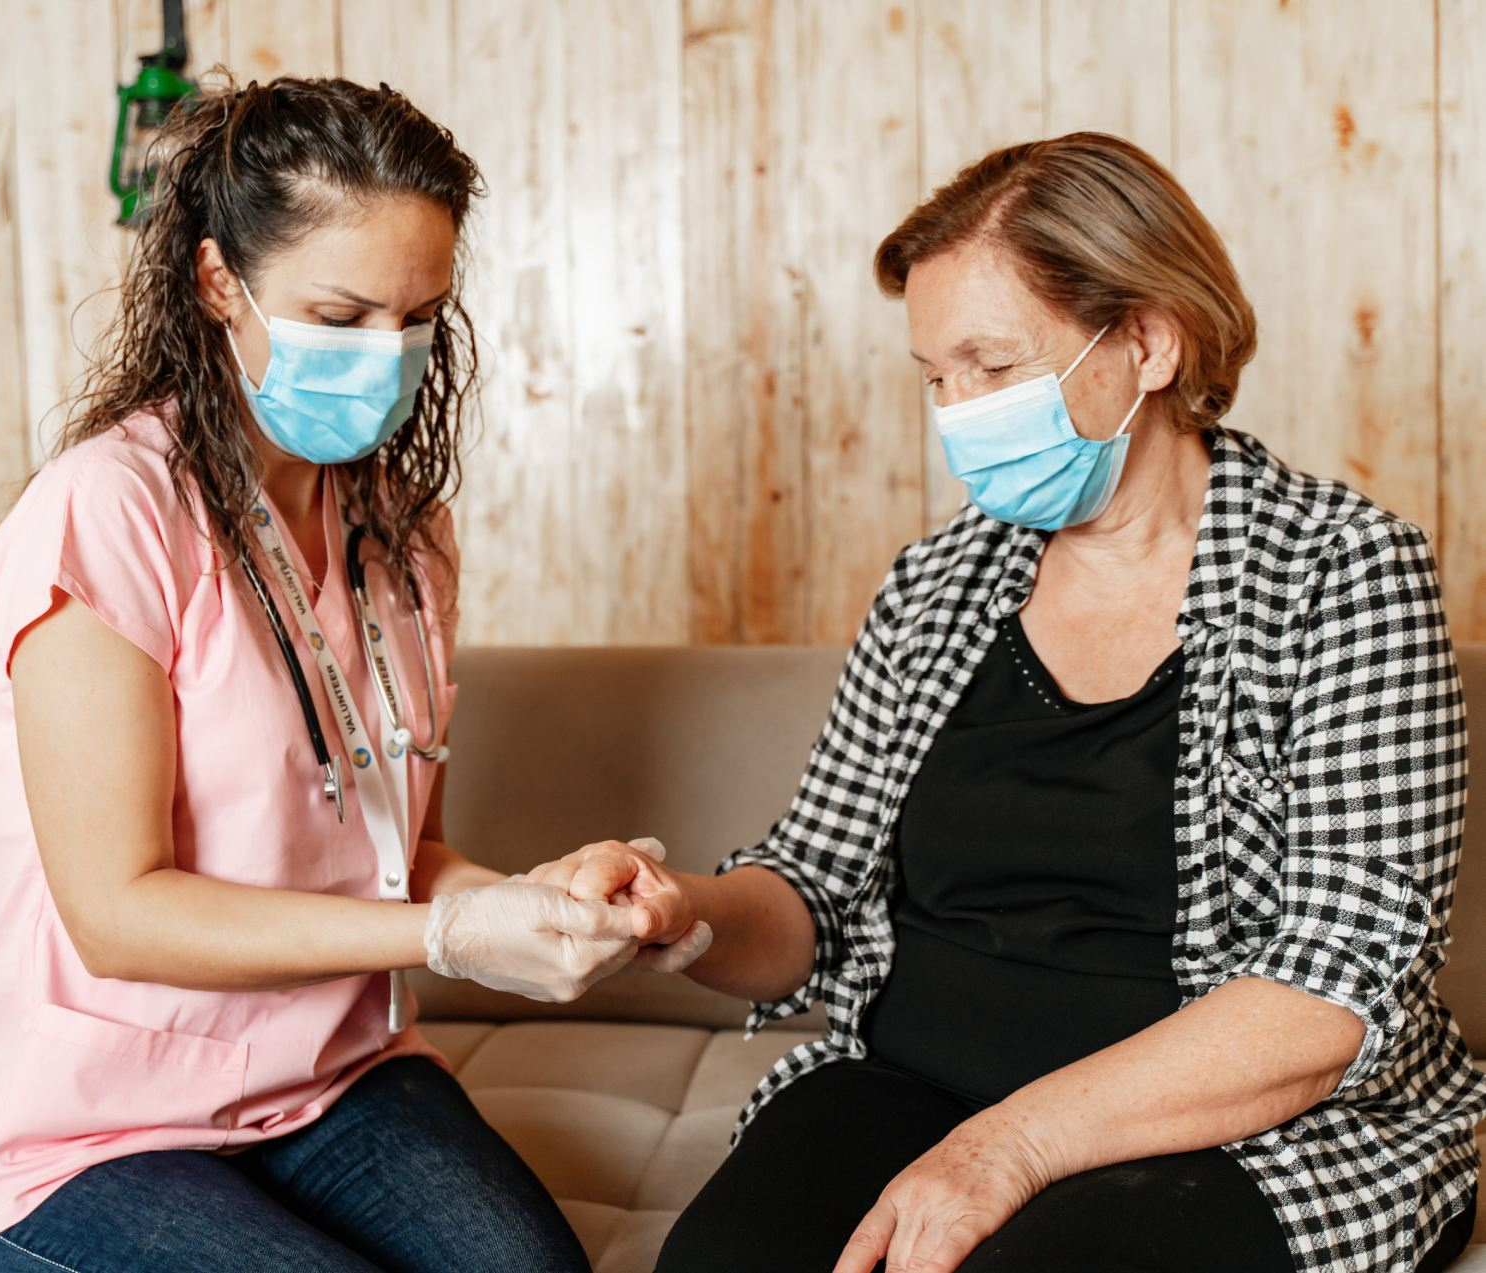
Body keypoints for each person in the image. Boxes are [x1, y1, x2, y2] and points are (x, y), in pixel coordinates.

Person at [531, 133, 1486, 1273]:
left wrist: (1008, 1147)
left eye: (992, 364)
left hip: (1215, 1130)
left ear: (1146, 340)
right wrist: (678, 913)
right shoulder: (936, 582)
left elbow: (1332, 988)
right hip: (911, 1078)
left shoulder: (1343, 571)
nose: (957, 410)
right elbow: (814, 890)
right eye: (936, 375)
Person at [0, 71, 707, 1273]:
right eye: (340, 318)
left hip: (337, 1079)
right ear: (219, 280)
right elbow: (117, 912)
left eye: (417, 318)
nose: (386, 362)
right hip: (99, 1130)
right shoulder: (108, 513)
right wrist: (445, 937)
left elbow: (395, 857)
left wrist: (545, 900)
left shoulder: (406, 532)